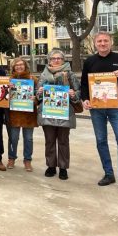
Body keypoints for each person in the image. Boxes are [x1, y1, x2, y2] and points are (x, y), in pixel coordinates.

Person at [81, 32, 118, 193]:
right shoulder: (90, 61)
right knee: (101, 141)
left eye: (106, 41)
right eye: (99, 41)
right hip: (96, 108)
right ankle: (109, 173)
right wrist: (85, 99)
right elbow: (84, 83)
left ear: (111, 43)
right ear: (95, 43)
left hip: (116, 107)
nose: (103, 43)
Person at [37, 50, 80, 180]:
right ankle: (50, 166)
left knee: (63, 141)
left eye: (59, 58)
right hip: (48, 113)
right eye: (53, 58)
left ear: (63, 60)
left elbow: (78, 91)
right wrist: (39, 92)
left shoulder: (70, 74)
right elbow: (37, 95)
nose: (56, 60)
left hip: (64, 113)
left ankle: (63, 168)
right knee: (49, 141)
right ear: (49, 60)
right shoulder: (44, 75)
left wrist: (74, 94)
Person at [6, 57, 38, 172]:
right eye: (16, 65)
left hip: (28, 114)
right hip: (14, 114)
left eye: (21, 64)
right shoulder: (9, 80)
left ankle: (27, 160)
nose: (19, 67)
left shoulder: (33, 79)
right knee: (13, 138)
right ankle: (11, 158)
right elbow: (3, 96)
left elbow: (39, 95)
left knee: (28, 139)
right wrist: (7, 93)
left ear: (25, 66)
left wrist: (35, 98)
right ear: (13, 67)